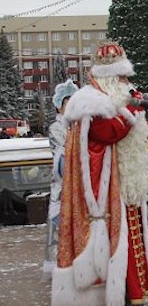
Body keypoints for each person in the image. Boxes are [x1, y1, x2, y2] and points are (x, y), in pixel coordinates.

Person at [51, 43, 148, 305]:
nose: (126, 82)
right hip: (105, 194)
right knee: (118, 245)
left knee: (131, 242)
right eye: (121, 77)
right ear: (108, 78)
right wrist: (133, 110)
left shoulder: (120, 101)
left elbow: (138, 133)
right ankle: (120, 294)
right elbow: (109, 132)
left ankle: (134, 292)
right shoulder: (90, 103)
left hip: (125, 185)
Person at [43, 79, 79, 279]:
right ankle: (62, 265)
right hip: (63, 184)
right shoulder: (56, 127)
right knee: (61, 226)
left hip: (80, 183)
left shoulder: (80, 125)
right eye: (67, 103)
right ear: (59, 105)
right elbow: (63, 154)